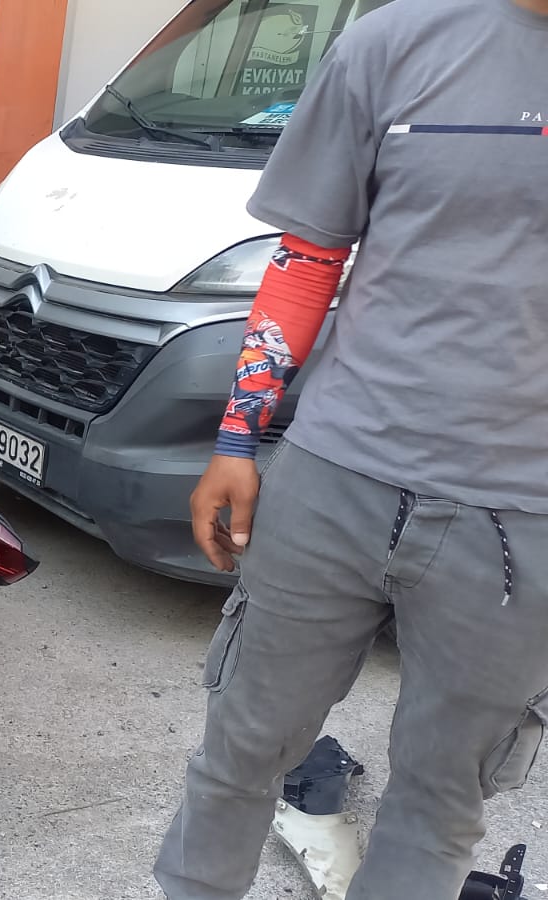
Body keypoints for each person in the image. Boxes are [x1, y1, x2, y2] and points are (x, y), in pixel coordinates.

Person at [155, 0, 548, 897]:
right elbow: (308, 259)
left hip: (524, 521)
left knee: (442, 801)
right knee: (242, 749)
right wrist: (236, 439)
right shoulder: (393, 42)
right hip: (335, 479)